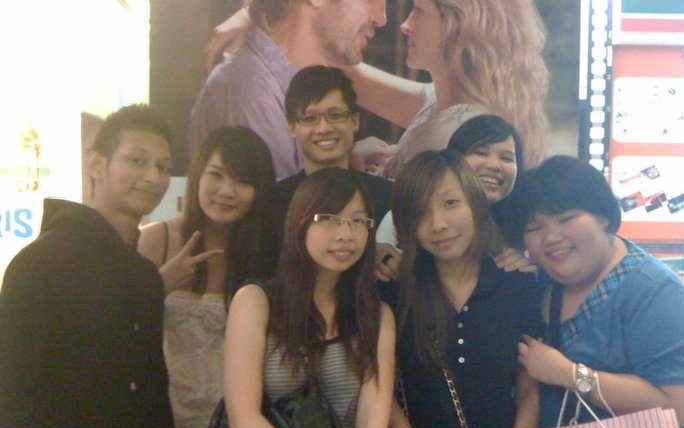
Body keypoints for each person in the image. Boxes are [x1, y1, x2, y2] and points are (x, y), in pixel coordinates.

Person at [0, 104, 183, 428]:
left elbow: (153, 393)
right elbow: (13, 401)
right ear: (96, 164)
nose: (153, 176)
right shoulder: (39, 264)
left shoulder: (144, 276)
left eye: (163, 166)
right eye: (137, 160)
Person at [224, 168, 395, 428]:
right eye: (329, 218)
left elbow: (372, 420)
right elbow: (243, 417)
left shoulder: (376, 316)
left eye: (358, 221)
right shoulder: (255, 302)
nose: (345, 234)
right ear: (299, 222)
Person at [201, 0, 548, 176]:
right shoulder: (440, 102)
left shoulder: (463, 126)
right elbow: (339, 63)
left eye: (419, 10)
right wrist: (266, 13)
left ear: (460, 26)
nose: (401, 24)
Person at [384, 150, 541, 428]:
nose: (438, 224)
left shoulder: (518, 285)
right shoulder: (393, 294)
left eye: (451, 203)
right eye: (420, 213)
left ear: (474, 202)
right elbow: (384, 399)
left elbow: (529, 394)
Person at [505, 156, 684, 428]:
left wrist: (570, 375)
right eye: (535, 227)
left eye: (567, 218)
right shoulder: (539, 282)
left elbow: (676, 408)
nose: (551, 237)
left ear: (604, 217)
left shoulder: (656, 293)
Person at [138, 126, 274, 428]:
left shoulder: (264, 257)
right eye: (216, 175)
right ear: (197, 175)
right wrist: (159, 284)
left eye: (243, 181)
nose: (226, 191)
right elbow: (117, 328)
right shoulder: (155, 240)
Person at [188, 0, 387, 177]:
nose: (382, 19)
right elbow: (280, 204)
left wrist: (343, 161)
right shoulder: (253, 96)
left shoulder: (276, 85)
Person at [262, 65, 393, 275]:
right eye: (310, 118)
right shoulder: (271, 204)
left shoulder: (388, 199)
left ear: (355, 121)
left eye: (335, 115)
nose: (323, 128)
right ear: (292, 127)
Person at [376, 114, 534, 282]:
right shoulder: (402, 217)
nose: (494, 165)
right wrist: (376, 255)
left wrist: (526, 267)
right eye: (481, 153)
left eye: (506, 158)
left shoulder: (524, 223)